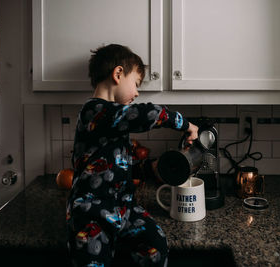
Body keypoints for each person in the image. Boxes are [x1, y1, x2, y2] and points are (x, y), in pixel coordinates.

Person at [66, 44, 199, 267]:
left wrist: (150, 168)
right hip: (91, 213)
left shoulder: (116, 120)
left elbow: (120, 165)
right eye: (136, 84)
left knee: (156, 246)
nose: (137, 93)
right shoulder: (94, 112)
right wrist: (185, 124)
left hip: (125, 209)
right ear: (118, 74)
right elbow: (147, 114)